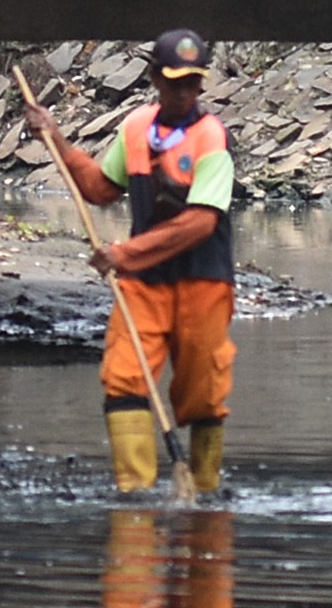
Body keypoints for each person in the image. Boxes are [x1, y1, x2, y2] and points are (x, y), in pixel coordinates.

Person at [32, 27, 238, 495]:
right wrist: (57, 141)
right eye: (174, 81)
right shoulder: (135, 129)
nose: (184, 92)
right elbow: (100, 189)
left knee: (202, 394)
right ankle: (136, 493)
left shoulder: (212, 139)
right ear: (154, 79)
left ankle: (204, 490)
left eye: (192, 83)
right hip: (144, 282)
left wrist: (123, 254)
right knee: (124, 378)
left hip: (202, 282)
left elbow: (200, 224)